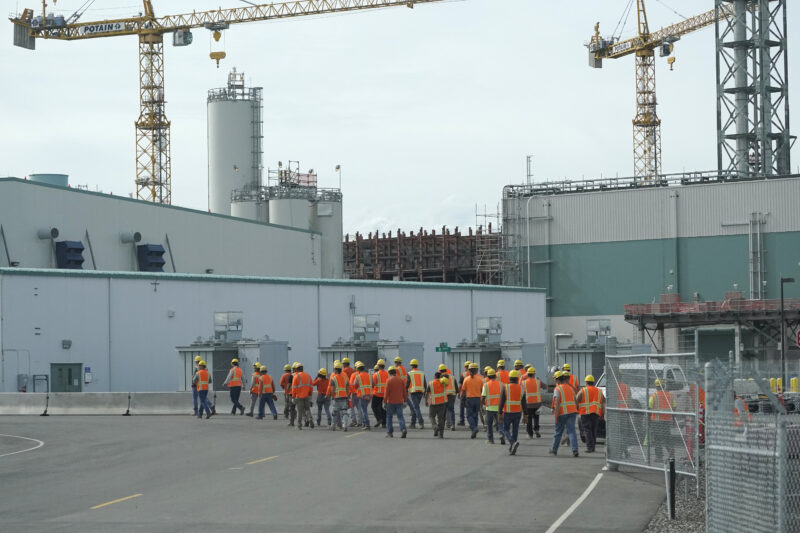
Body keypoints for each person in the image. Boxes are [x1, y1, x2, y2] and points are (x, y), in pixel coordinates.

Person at [550, 371, 579, 457]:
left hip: (562, 413)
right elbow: (575, 400)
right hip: (572, 412)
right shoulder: (571, 388)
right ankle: (575, 450)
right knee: (572, 431)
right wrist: (576, 409)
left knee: (558, 432)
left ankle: (554, 450)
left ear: (558, 380)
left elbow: (557, 403)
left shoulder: (557, 389)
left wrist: (556, 415)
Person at [576, 375, 604, 453]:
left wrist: (577, 409)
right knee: (593, 430)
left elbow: (576, 399)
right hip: (596, 413)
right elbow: (603, 402)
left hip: (585, 413)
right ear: (593, 382)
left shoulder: (583, 390)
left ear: (586, 382)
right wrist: (603, 413)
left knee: (587, 430)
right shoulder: (599, 391)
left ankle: (590, 447)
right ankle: (593, 446)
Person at [649, 379, 676, 461]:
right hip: (667, 421)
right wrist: (672, 418)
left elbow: (649, 408)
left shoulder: (654, 396)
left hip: (656, 421)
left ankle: (659, 457)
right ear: (663, 386)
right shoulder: (669, 395)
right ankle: (671, 451)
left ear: (656, 386)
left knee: (657, 439)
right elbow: (674, 406)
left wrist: (648, 421)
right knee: (667, 437)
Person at [498, 370, 523, 455]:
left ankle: (512, 443)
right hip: (518, 412)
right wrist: (526, 414)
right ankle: (513, 446)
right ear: (517, 378)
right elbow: (524, 403)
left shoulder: (505, 387)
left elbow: (501, 402)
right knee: (515, 430)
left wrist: (499, 413)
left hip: (508, 412)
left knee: (505, 429)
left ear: (509, 378)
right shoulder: (521, 388)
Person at [383, 366, 408, 438]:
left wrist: (384, 402)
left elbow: (386, 392)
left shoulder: (389, 380)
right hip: (399, 401)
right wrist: (405, 401)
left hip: (390, 402)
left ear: (389, 373)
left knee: (389, 417)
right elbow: (404, 391)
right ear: (395, 372)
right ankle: (403, 429)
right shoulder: (400, 380)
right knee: (400, 416)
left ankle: (389, 433)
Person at [461, 362, 483, 439]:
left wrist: (462, 400)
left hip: (469, 399)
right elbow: (482, 390)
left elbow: (463, 391)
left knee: (469, 415)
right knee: (475, 415)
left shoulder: (466, 379)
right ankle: (474, 429)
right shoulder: (480, 379)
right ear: (476, 370)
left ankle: (474, 428)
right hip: (477, 399)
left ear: (469, 370)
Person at [482, 368, 503, 444]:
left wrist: (482, 405)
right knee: (500, 423)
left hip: (489, 408)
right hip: (499, 407)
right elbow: (504, 396)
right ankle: (501, 434)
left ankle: (490, 440)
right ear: (495, 376)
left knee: (489, 424)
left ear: (488, 376)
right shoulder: (501, 384)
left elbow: (483, 397)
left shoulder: (486, 385)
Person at [327, 360, 350, 431]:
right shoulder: (345, 378)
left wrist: (332, 396)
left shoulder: (334, 378)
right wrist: (347, 396)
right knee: (344, 412)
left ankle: (333, 426)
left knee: (334, 412)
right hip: (344, 397)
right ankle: (345, 426)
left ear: (336, 370)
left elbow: (332, 389)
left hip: (336, 397)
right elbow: (347, 388)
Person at [292, 363, 314, 430]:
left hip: (299, 397)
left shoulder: (296, 376)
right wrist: (310, 395)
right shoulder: (308, 376)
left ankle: (299, 425)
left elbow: (294, 388)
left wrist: (293, 396)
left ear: (296, 369)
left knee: (300, 411)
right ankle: (310, 419)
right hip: (307, 396)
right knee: (307, 409)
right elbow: (311, 387)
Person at [523, 366, 543, 439]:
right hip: (537, 403)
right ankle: (536, 429)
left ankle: (530, 434)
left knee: (529, 419)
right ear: (534, 374)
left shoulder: (524, 382)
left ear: (527, 374)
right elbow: (545, 386)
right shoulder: (538, 381)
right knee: (536, 418)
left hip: (528, 404)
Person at [426, 372, 449, 438]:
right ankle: (441, 434)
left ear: (434, 376)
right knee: (441, 419)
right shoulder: (443, 382)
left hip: (433, 403)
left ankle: (435, 427)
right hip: (442, 403)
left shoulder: (431, 383)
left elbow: (427, 393)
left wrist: (426, 401)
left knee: (431, 416)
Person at [407, 358, 426, 429]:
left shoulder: (410, 373)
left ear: (411, 366)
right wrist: (425, 392)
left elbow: (407, 384)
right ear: (417, 365)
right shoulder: (422, 373)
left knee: (416, 408)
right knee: (416, 407)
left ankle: (421, 422)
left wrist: (405, 391)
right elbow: (425, 383)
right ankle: (413, 423)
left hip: (414, 392)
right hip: (420, 392)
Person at [353, 361, 372, 430]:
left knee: (364, 411)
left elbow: (354, 385)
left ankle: (367, 425)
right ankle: (365, 423)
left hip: (362, 395)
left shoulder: (358, 376)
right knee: (365, 409)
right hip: (369, 395)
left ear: (358, 369)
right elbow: (373, 384)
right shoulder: (369, 375)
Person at [439, 363, 458, 430]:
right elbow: (456, 388)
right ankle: (453, 425)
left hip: (444, 396)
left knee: (443, 411)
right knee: (451, 410)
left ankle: (444, 424)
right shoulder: (452, 377)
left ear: (440, 371)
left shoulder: (440, 377)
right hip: (452, 395)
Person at [372, 359, 389, 428]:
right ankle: (384, 423)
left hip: (377, 394)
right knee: (383, 409)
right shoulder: (387, 374)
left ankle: (379, 419)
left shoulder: (376, 374)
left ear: (378, 366)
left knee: (374, 407)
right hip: (385, 394)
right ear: (384, 366)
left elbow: (373, 384)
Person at [341, 357, 357, 427]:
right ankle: (359, 421)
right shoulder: (353, 370)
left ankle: (353, 420)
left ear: (344, 364)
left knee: (350, 407)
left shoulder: (344, 371)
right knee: (357, 407)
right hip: (354, 390)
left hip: (348, 391)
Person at [458, 361, 471, 426]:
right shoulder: (474, 374)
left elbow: (460, 385)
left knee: (462, 407)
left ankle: (462, 421)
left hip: (463, 393)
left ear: (465, 367)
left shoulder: (463, 374)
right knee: (470, 407)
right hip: (472, 394)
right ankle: (471, 421)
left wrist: (458, 393)